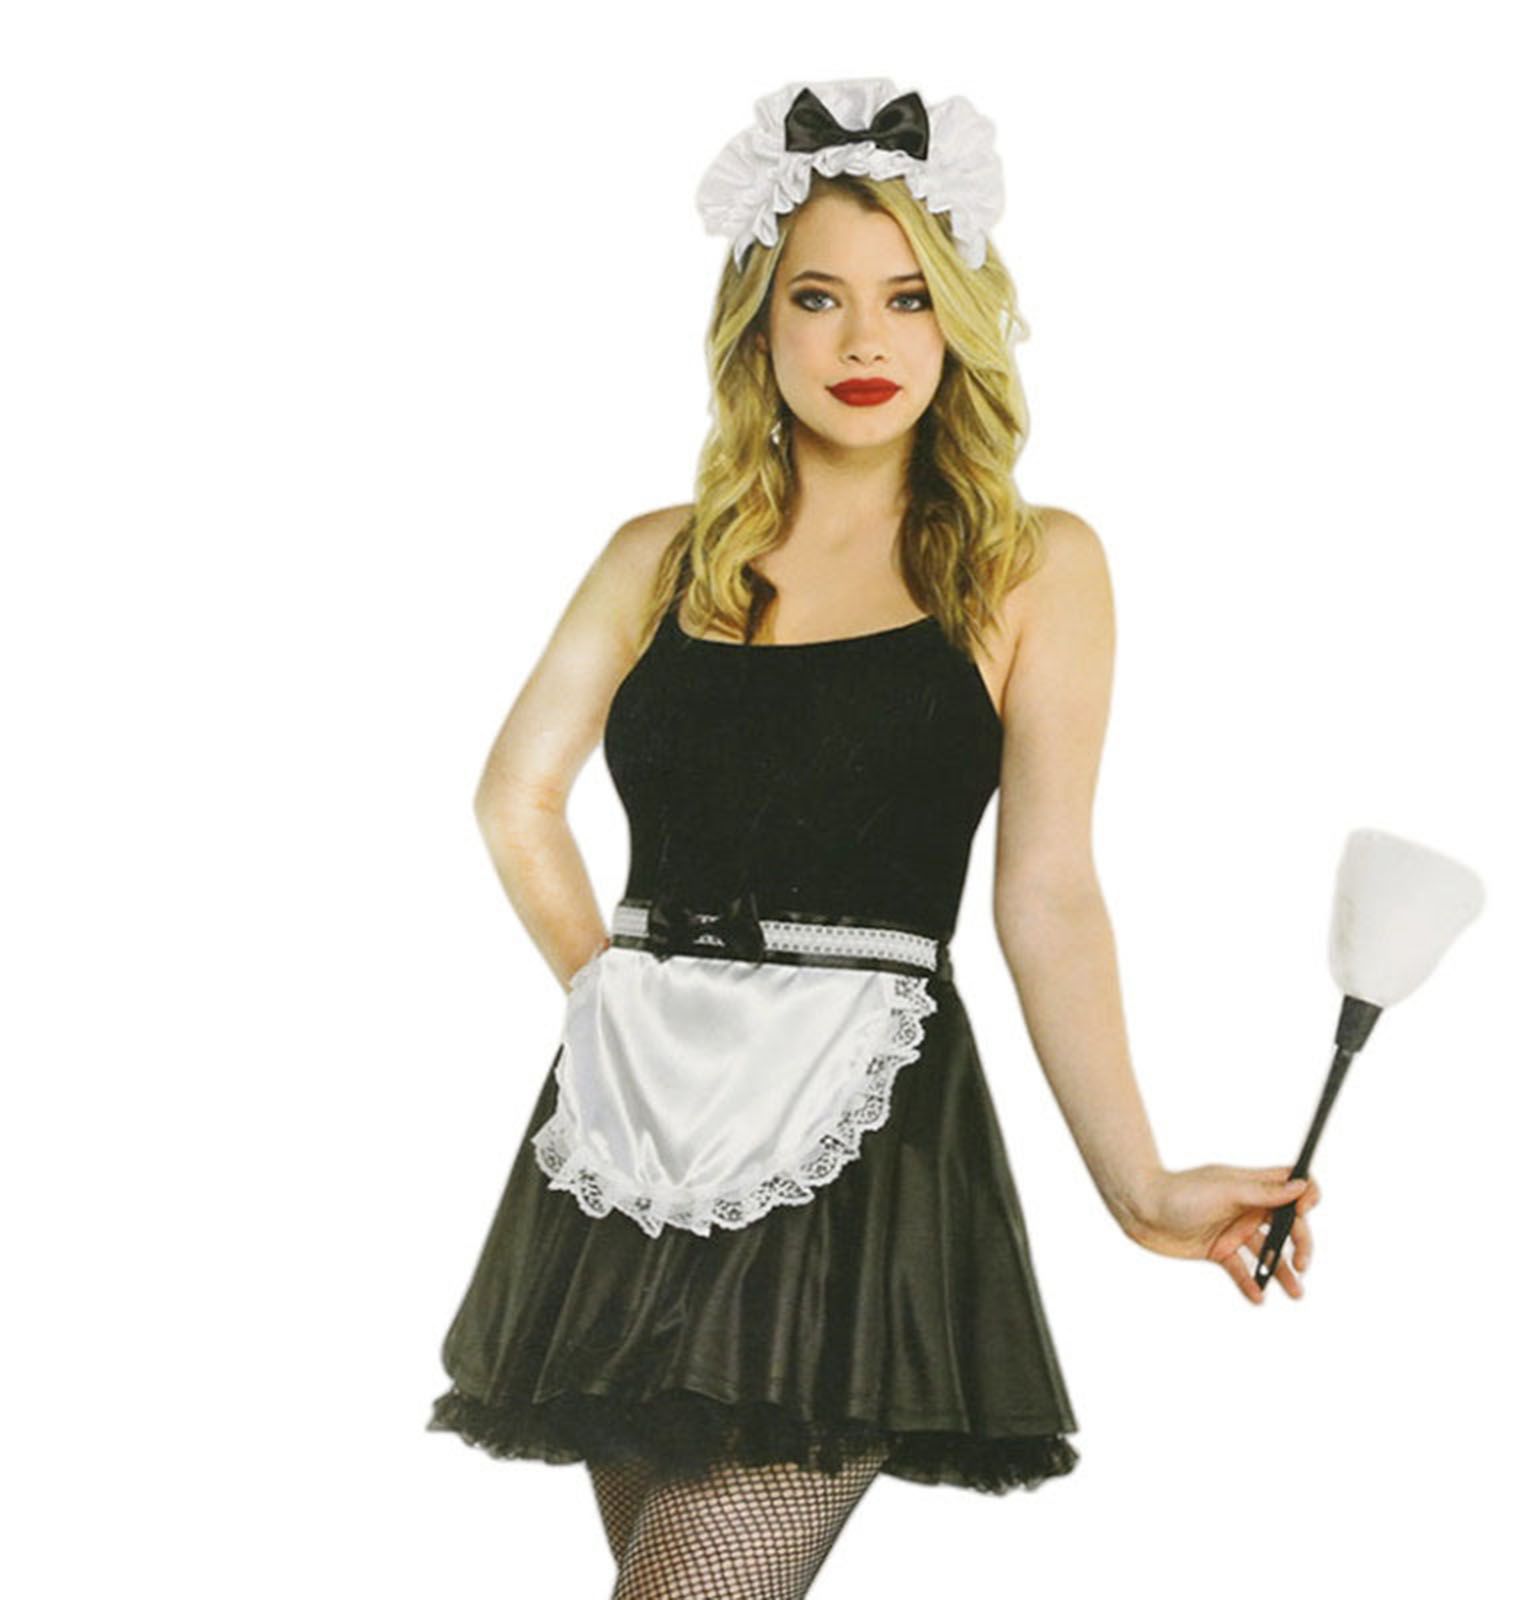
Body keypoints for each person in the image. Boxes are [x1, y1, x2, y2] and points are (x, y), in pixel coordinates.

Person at [427, 78, 1322, 1599]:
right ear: (757, 322)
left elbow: (1048, 893)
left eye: (907, 298)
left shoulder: (1031, 565)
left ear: (958, 318)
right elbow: (514, 799)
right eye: (818, 297)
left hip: (856, 1141)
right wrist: (615, 1004)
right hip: (631, 1152)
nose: (863, 341)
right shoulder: (658, 558)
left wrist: (1139, 1184)